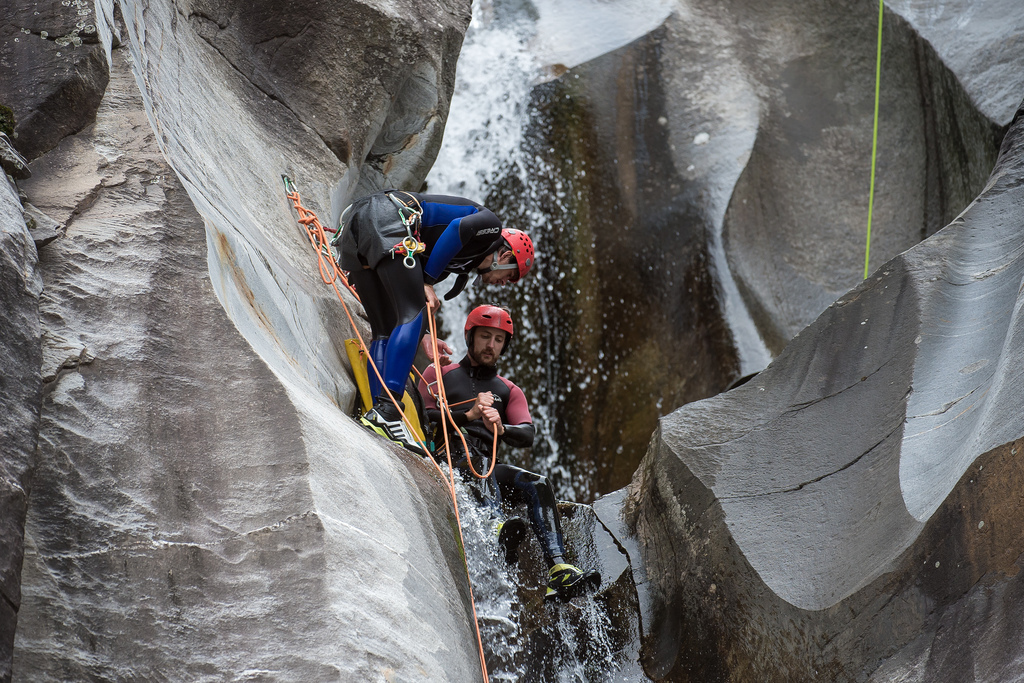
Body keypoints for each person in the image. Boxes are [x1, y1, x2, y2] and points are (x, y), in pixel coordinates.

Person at [418, 305, 600, 600]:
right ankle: (494, 525)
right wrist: (471, 414)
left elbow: (527, 434)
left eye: (499, 340)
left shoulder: (508, 390)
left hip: (486, 468)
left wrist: (501, 428)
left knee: (537, 483)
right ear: (470, 336)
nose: (491, 345)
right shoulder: (439, 373)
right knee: (479, 463)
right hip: (446, 459)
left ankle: (559, 569)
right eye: (485, 336)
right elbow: (423, 416)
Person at [337, 190, 534, 453]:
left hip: (360, 226)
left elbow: (405, 290)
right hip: (392, 220)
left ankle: (378, 413)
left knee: (385, 328)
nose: (504, 284)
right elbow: (456, 228)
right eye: (510, 276)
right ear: (507, 257)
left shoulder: (460, 262)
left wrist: (426, 334)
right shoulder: (490, 225)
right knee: (412, 312)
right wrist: (427, 281)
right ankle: (389, 411)